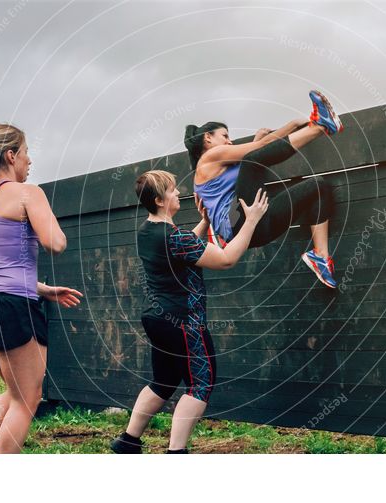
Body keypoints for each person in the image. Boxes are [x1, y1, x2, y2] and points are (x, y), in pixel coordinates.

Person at [110, 170, 268, 453]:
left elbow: (181, 250)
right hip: (184, 322)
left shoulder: (148, 232)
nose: (178, 192)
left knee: (164, 381)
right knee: (200, 384)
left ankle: (128, 441)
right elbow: (226, 259)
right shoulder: (175, 236)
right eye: (172, 190)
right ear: (159, 200)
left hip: (158, 320)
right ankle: (176, 452)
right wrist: (252, 220)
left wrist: (205, 222)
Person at [0, 123, 82, 453]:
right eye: (25, 153)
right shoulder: (28, 193)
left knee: (14, 393)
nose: (30, 160)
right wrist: (47, 219)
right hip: (13, 306)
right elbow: (56, 242)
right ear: (11, 155)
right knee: (27, 399)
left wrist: (44, 289)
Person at [186, 90, 343, 288]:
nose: (229, 141)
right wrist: (294, 126)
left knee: (318, 186)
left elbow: (260, 150)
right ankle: (321, 127)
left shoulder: (222, 164)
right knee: (252, 159)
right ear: (207, 138)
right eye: (225, 136)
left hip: (257, 229)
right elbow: (257, 152)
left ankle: (321, 257)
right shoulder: (209, 157)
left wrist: (289, 127)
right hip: (236, 224)